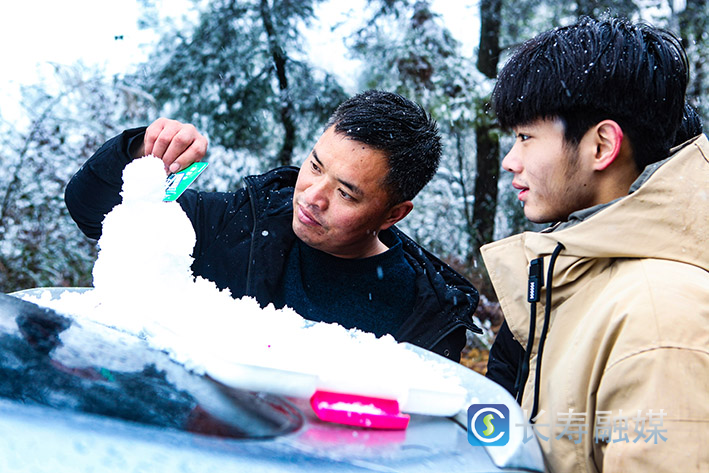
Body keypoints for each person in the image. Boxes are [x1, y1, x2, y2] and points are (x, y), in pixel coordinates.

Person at [65, 89, 480, 362]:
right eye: (314, 166)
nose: (313, 196)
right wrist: (140, 153)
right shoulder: (239, 225)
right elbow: (92, 211)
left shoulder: (427, 316)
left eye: (346, 193)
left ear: (393, 214)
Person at [480, 16, 708, 473]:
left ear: (602, 146)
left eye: (526, 137)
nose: (510, 160)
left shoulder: (662, 318)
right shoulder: (580, 273)